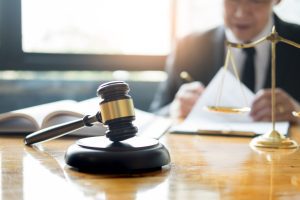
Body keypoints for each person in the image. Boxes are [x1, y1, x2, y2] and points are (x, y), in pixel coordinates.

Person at [150, 0, 300, 123]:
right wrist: (175, 109)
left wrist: (297, 112)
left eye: (256, 1)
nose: (240, 13)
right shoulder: (189, 47)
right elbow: (155, 113)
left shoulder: (296, 42)